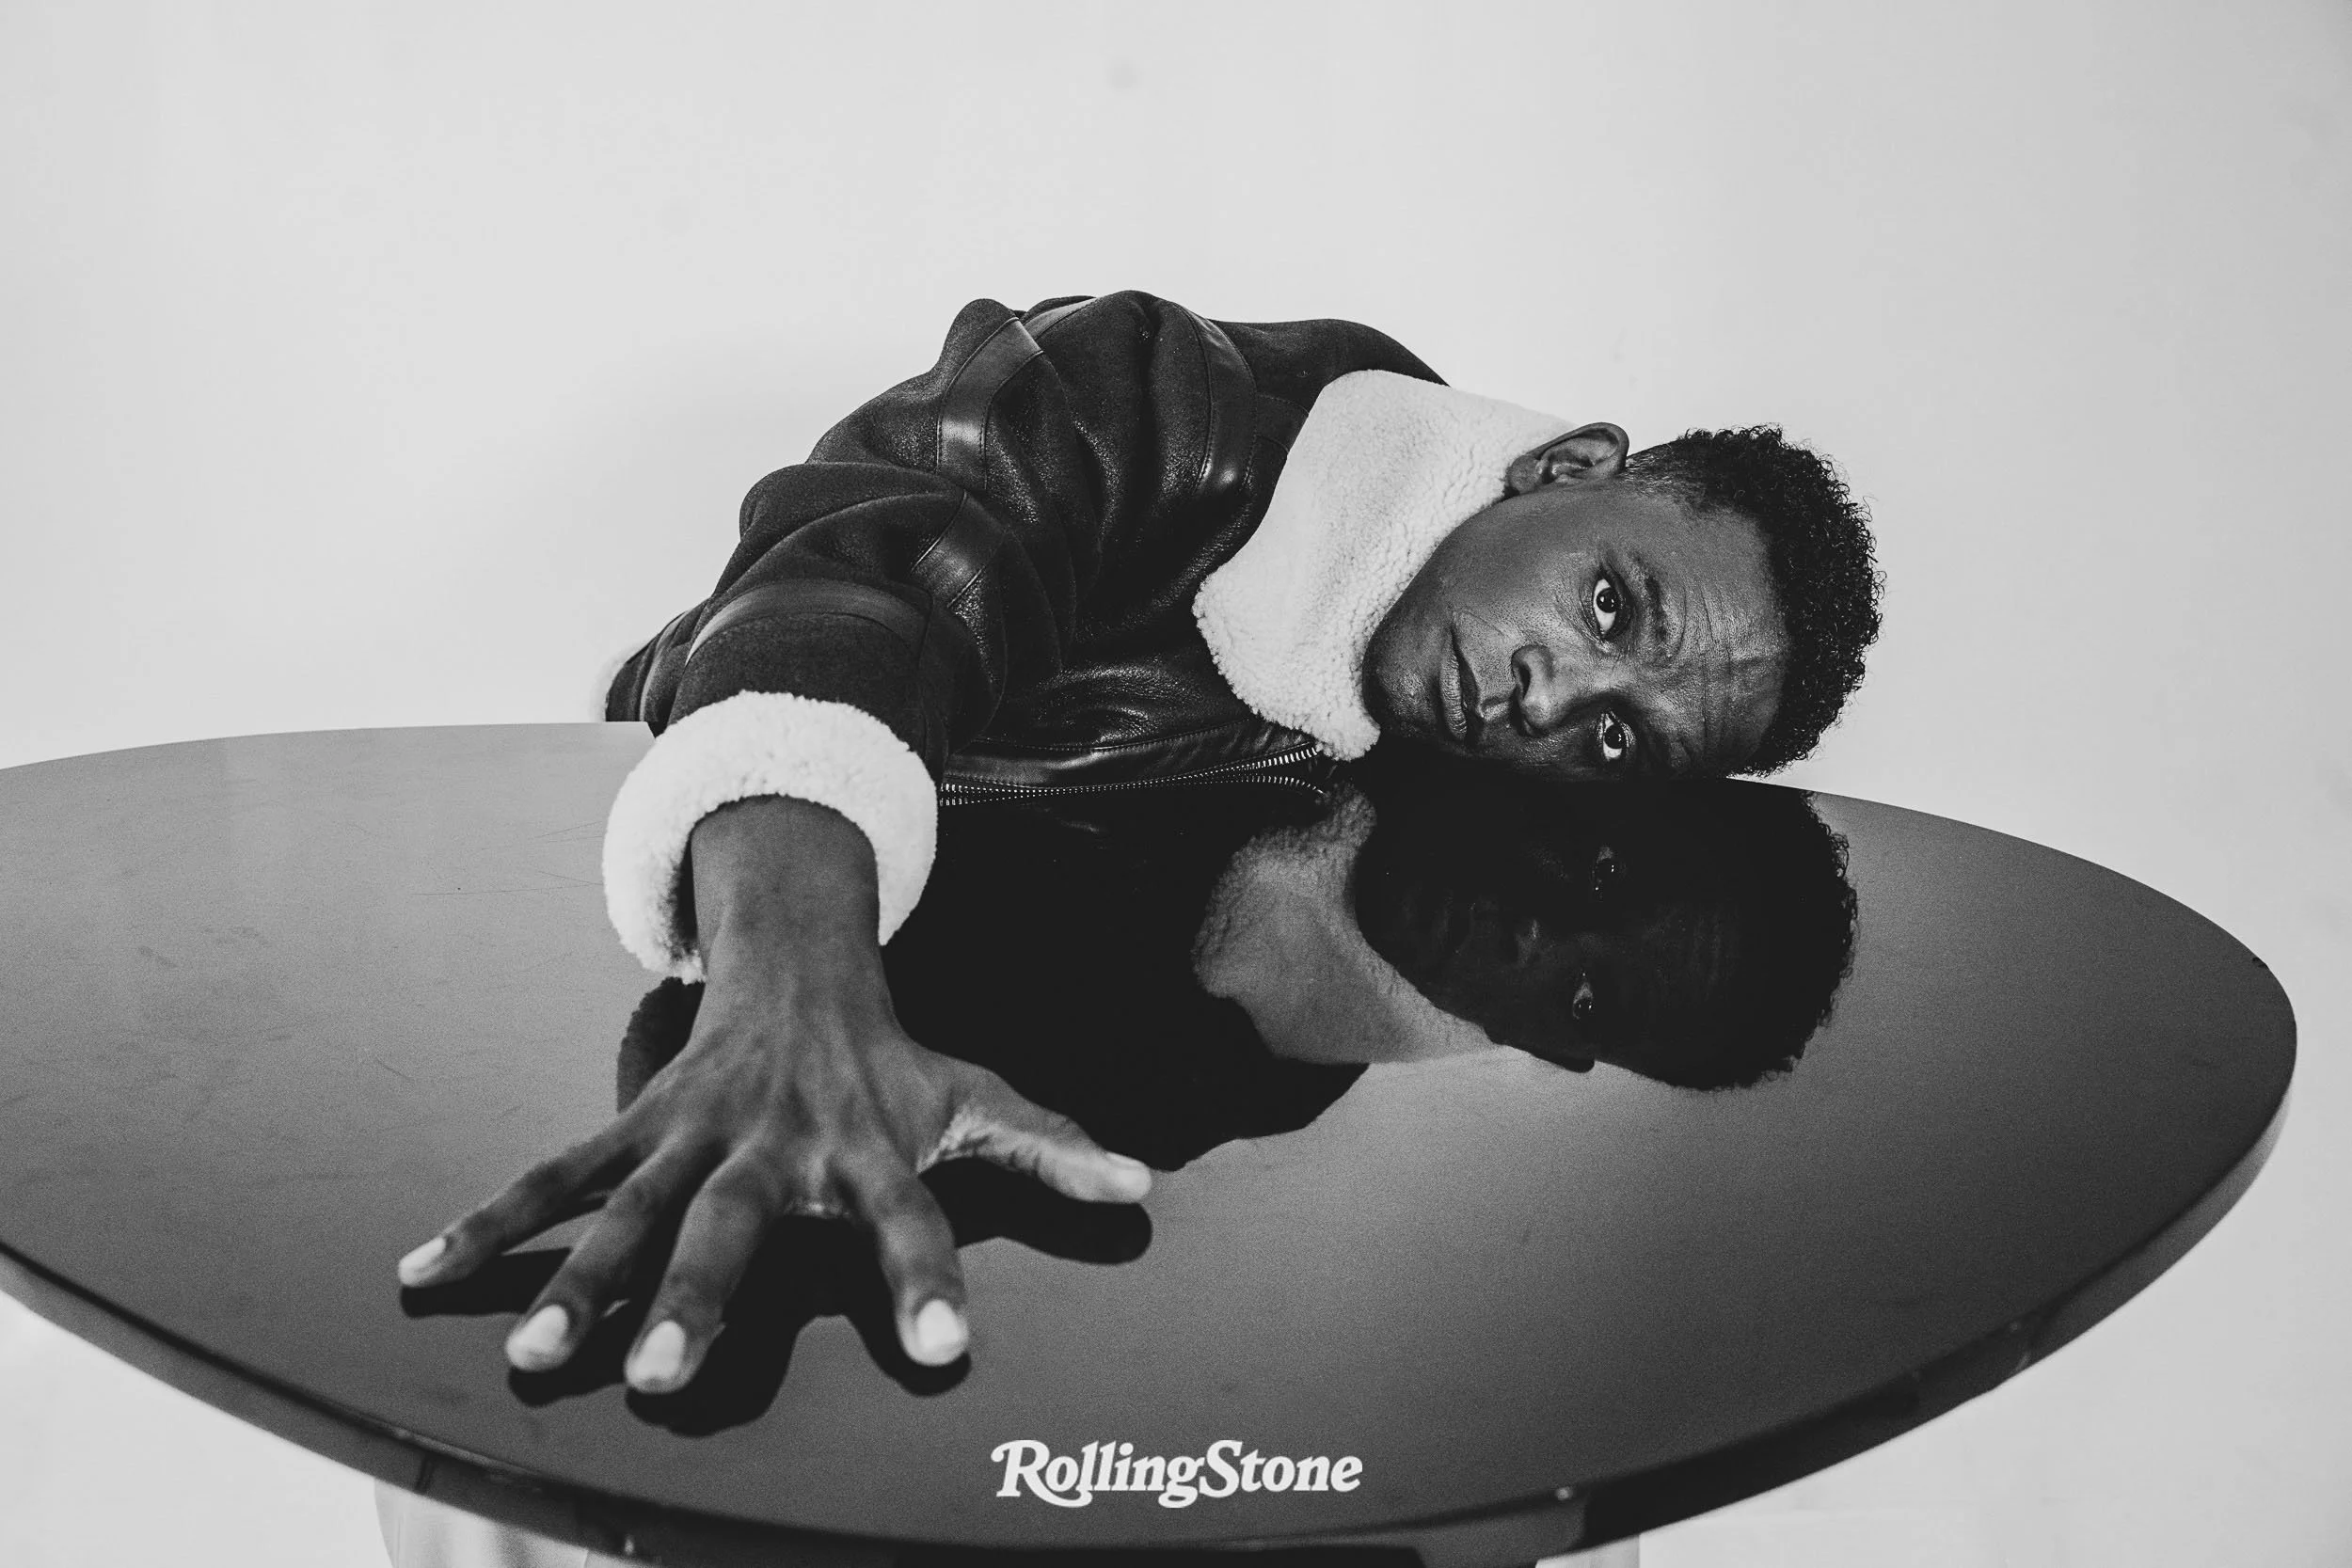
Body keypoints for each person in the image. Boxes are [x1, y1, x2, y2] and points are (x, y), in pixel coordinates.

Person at [392, 291, 1883, 1399]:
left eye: (1617, 737)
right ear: (1571, 469)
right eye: (1612, 605)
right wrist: (790, 988)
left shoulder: (1292, 1053)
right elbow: (876, 561)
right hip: (692, 892)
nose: (1549, 691)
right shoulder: (1161, 402)